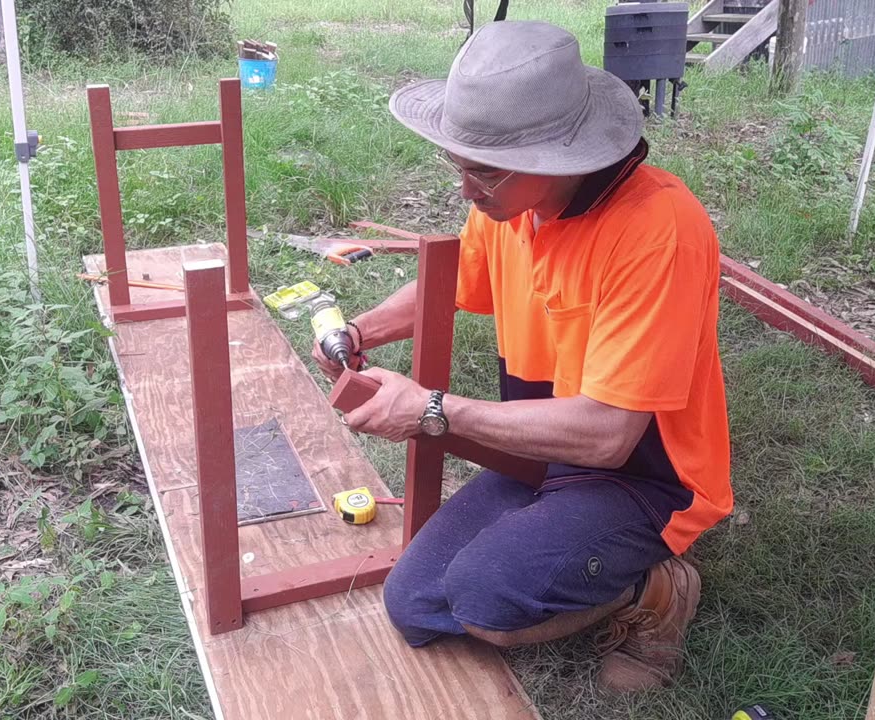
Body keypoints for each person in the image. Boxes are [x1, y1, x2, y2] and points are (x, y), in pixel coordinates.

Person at [311, 21, 732, 693]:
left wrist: (432, 411)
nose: (465, 189)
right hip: (541, 453)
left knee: (485, 601)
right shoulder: (509, 206)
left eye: (482, 170)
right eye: (459, 165)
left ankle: (656, 589)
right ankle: (562, 552)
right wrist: (358, 333)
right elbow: (450, 285)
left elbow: (607, 435)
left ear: (555, 157)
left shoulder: (659, 231)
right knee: (414, 605)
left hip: (642, 478)